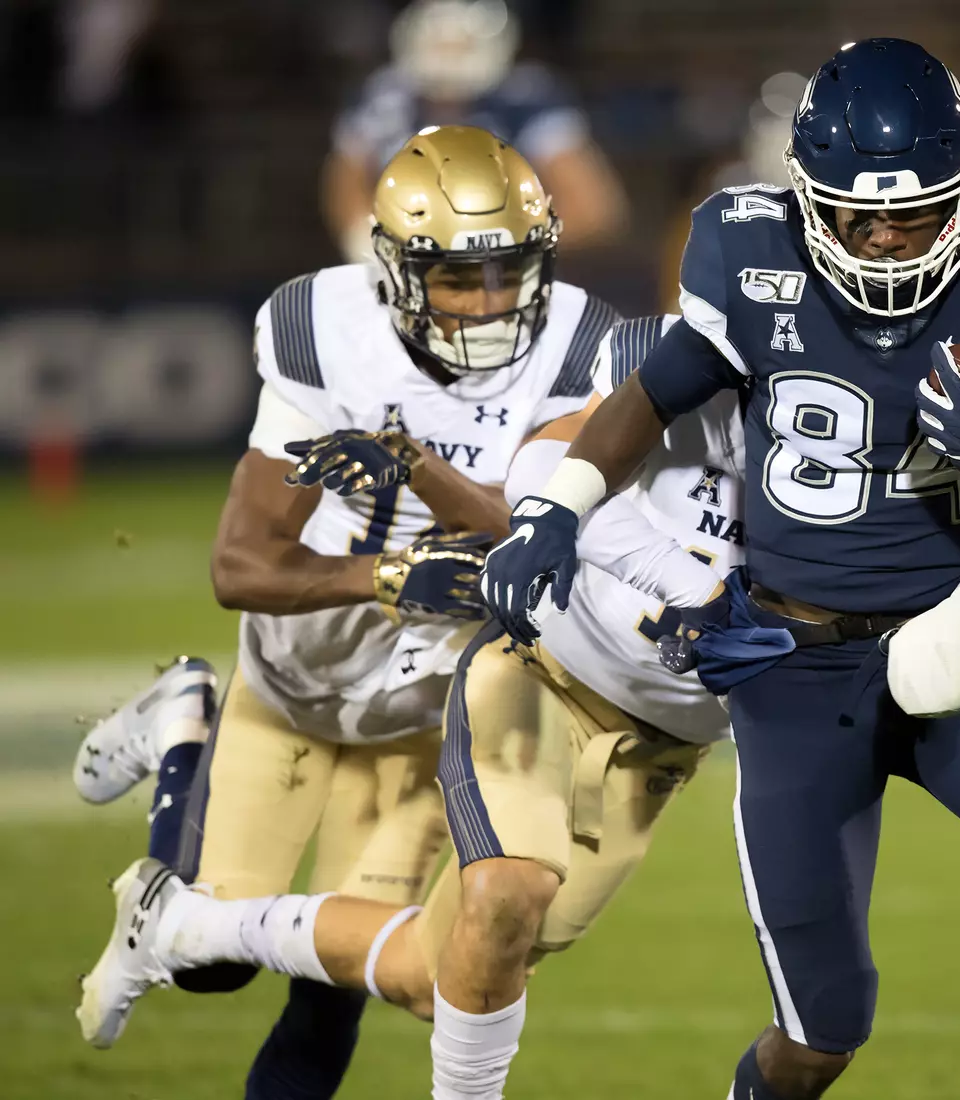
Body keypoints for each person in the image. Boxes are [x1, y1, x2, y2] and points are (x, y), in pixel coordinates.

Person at [479, 37, 960, 1100]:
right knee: (821, 1035)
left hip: (954, 646)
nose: (879, 237)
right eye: (851, 212)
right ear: (803, 194)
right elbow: (648, 396)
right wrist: (558, 507)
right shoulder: (748, 250)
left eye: (910, 212)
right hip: (795, 672)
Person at [78, 314, 960, 1100]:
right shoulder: (687, 374)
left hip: (664, 745)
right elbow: (548, 466)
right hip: (543, 677)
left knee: (443, 968)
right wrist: (681, 593)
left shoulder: (858, 454)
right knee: (509, 890)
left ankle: (181, 925)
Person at [75, 123, 621, 1100]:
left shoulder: (582, 344)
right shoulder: (330, 333)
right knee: (212, 959)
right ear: (397, 269)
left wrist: (417, 469)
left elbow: (533, 530)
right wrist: (384, 576)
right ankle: (185, 727)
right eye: (458, 276)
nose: (490, 303)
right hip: (294, 676)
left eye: (509, 271)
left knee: (338, 979)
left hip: (420, 706)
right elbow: (241, 563)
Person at [322, 0, 627, 262]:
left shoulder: (527, 98)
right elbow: (346, 176)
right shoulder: (385, 95)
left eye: (460, 41)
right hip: (401, 272)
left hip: (504, 278)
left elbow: (594, 210)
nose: (448, 49)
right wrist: (364, 237)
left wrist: (501, 243)